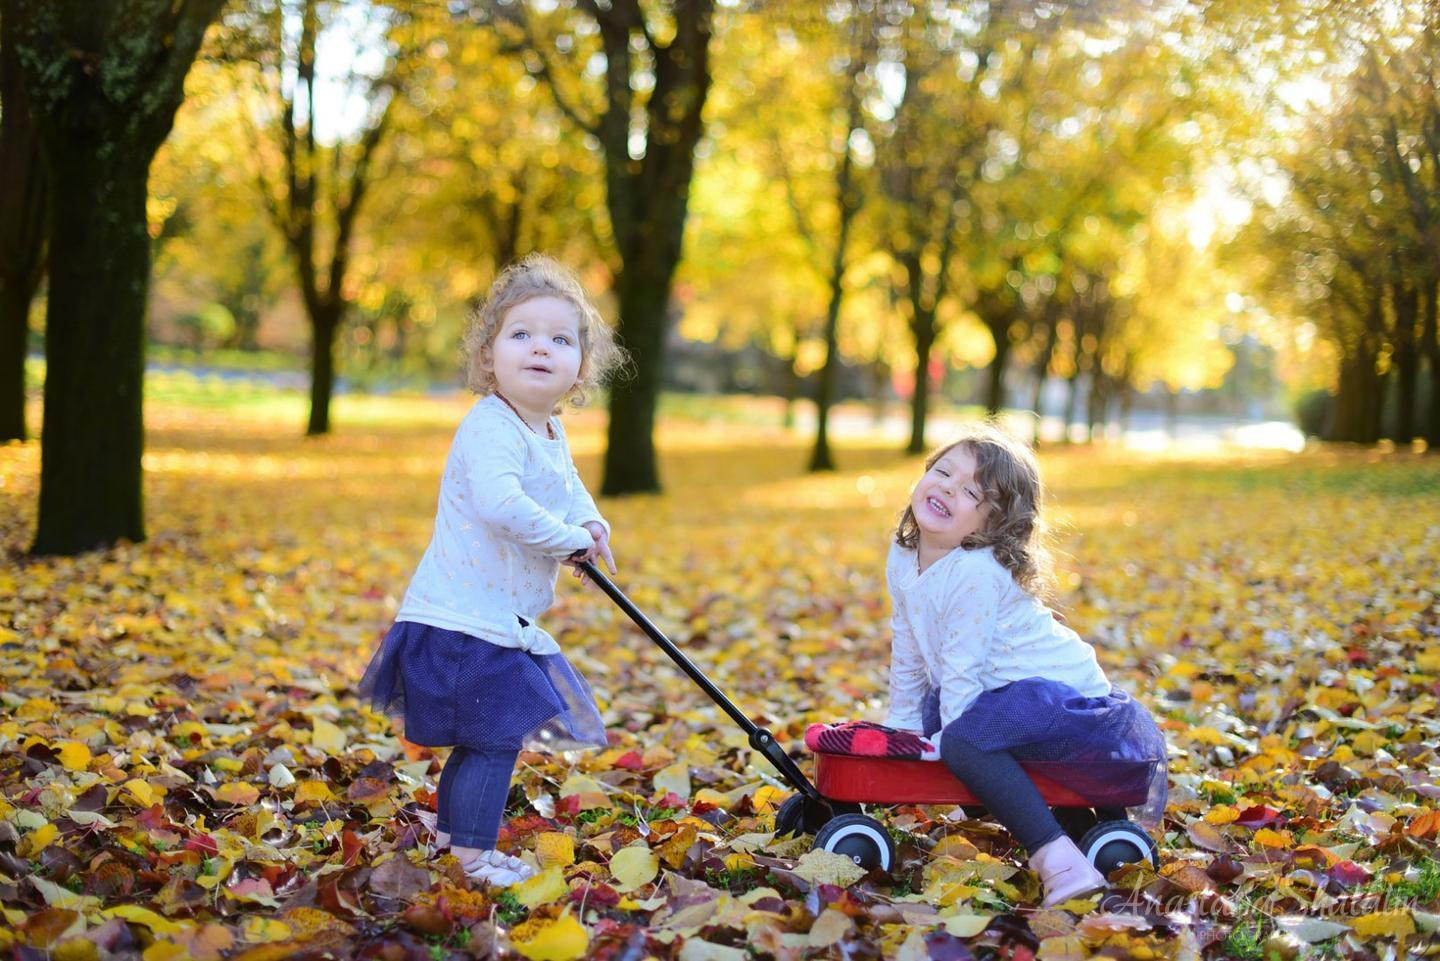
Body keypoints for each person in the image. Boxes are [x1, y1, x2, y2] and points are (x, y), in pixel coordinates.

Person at [359, 254, 625, 886]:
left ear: (581, 368)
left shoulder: (549, 429)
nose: (541, 348)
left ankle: (458, 842)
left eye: (560, 339)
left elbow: (569, 492)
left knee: (488, 734)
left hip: (496, 619)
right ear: (489, 356)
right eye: (522, 334)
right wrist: (566, 542)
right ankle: (473, 859)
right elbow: (500, 504)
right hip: (461, 619)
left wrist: (590, 528)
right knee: (495, 735)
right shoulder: (492, 426)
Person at [883, 424, 1167, 907]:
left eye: (972, 491)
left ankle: (1056, 857)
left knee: (961, 738)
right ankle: (1070, 820)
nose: (949, 488)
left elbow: (964, 672)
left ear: (994, 522)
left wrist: (948, 743)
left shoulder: (974, 571)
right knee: (937, 719)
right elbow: (909, 644)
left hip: (1063, 697)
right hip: (1007, 692)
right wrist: (902, 726)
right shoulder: (904, 552)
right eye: (943, 472)